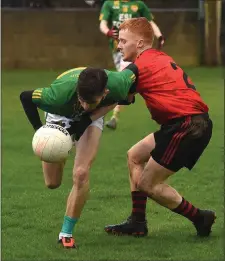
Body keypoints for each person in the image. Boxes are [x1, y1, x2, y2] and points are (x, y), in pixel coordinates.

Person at [78, 18, 216, 238]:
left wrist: (81, 110)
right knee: (134, 156)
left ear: (140, 43)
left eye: (123, 41)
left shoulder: (140, 66)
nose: (119, 45)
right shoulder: (158, 57)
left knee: (148, 184)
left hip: (187, 125)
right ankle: (137, 222)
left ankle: (200, 217)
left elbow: (112, 91)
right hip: (184, 123)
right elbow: (127, 97)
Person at [19, 66, 137, 248]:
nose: (84, 106)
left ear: (105, 92)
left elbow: (134, 72)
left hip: (92, 120)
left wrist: (90, 117)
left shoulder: (118, 84)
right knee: (52, 183)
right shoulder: (57, 95)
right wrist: (40, 131)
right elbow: (25, 97)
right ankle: (62, 146)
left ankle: (66, 233)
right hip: (60, 113)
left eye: (91, 102)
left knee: (81, 173)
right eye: (82, 100)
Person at [99, 0, 164, 130]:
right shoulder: (109, 4)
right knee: (128, 82)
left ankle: (112, 116)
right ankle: (104, 110)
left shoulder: (139, 4)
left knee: (124, 80)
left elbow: (150, 22)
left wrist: (159, 35)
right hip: (117, 48)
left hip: (133, 48)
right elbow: (103, 23)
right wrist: (108, 32)